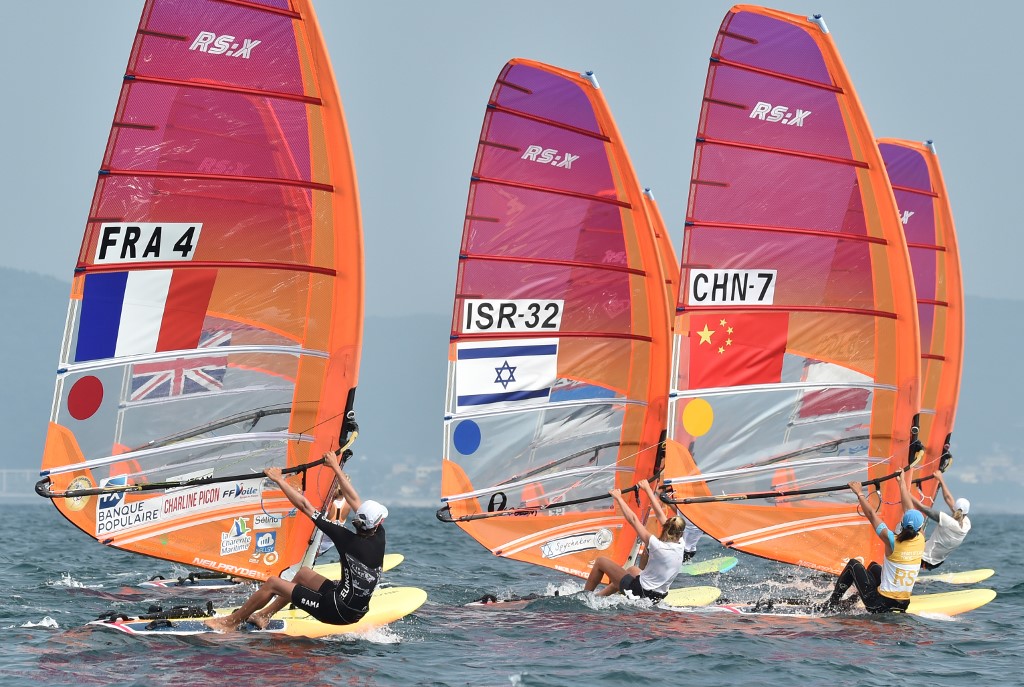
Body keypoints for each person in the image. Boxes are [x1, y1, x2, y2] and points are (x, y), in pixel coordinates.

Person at [206, 451, 387, 632]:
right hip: (356, 609)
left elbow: (304, 506)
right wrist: (335, 467)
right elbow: (354, 499)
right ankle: (263, 615)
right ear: (379, 523)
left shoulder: (345, 539)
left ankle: (230, 622)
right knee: (303, 575)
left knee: (273, 583)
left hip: (335, 609)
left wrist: (279, 480)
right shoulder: (379, 535)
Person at [820, 469, 925, 614]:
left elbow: (871, 514)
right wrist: (901, 484)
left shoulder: (891, 540)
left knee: (853, 565)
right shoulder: (921, 539)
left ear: (903, 523)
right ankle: (850, 603)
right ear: (919, 528)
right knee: (874, 568)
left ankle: (831, 605)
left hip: (879, 605)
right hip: (902, 605)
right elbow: (909, 509)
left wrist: (859, 492)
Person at [583, 479, 687, 601]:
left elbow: (633, 519)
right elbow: (660, 515)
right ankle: (600, 596)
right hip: (657, 596)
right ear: (681, 532)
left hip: (641, 592)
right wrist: (648, 490)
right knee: (632, 570)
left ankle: (584, 597)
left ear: (666, 527)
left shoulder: (656, 545)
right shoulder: (681, 543)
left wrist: (618, 498)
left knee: (601, 561)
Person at [911, 471, 972, 570]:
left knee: (917, 527)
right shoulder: (967, 523)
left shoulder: (947, 521)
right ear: (966, 513)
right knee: (924, 538)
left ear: (955, 508)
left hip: (924, 560)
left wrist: (903, 489)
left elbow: (921, 507)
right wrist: (941, 480)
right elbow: (949, 499)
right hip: (937, 562)